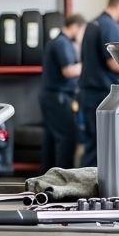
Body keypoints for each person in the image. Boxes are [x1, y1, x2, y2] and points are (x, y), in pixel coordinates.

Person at [78, 0, 119, 166]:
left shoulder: (92, 24)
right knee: (102, 147)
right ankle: (93, 191)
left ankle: (83, 189)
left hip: (89, 94)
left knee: (92, 145)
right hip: (103, 96)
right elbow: (114, 63)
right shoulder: (109, 26)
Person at [39, 13, 85, 171]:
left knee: (52, 139)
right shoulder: (62, 43)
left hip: (52, 96)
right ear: (75, 27)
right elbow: (68, 71)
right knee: (66, 138)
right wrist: (90, 65)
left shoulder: (58, 42)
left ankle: (49, 176)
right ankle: (63, 178)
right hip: (58, 97)